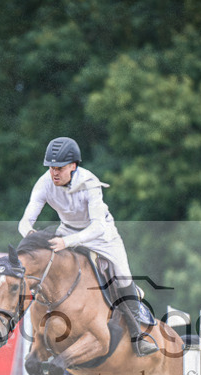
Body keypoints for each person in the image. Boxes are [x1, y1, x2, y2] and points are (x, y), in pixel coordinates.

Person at [18, 137, 156, 356]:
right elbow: (25, 221)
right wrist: (30, 234)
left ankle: (138, 333)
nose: (54, 173)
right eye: (52, 168)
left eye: (60, 168)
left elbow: (97, 228)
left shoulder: (90, 183)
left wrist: (67, 242)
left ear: (73, 166)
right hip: (67, 230)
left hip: (102, 235)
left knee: (122, 276)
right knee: (47, 265)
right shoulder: (44, 183)